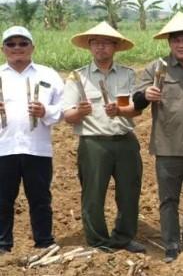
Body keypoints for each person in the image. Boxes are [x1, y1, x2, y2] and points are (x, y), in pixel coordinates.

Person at [133, 12, 183, 262]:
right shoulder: (157, 69)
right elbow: (136, 100)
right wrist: (146, 95)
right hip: (168, 145)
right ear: (169, 43)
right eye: (176, 40)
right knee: (168, 199)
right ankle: (170, 245)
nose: (181, 44)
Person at [62, 22, 144, 252]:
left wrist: (120, 110)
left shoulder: (127, 74)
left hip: (125, 140)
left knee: (129, 193)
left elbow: (136, 110)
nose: (101, 47)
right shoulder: (77, 77)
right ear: (90, 46)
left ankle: (123, 238)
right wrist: (80, 112)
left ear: (115, 47)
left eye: (107, 43)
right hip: (93, 143)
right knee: (93, 195)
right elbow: (67, 115)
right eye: (96, 43)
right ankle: (98, 241)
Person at [0, 26, 64, 253]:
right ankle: (3, 245)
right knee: (2, 199)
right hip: (4, 148)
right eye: (11, 44)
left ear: (32, 47)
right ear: (3, 49)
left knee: (40, 198)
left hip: (37, 148)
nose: (17, 48)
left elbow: (64, 108)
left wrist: (45, 111)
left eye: (23, 43)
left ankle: (44, 242)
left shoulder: (48, 75)